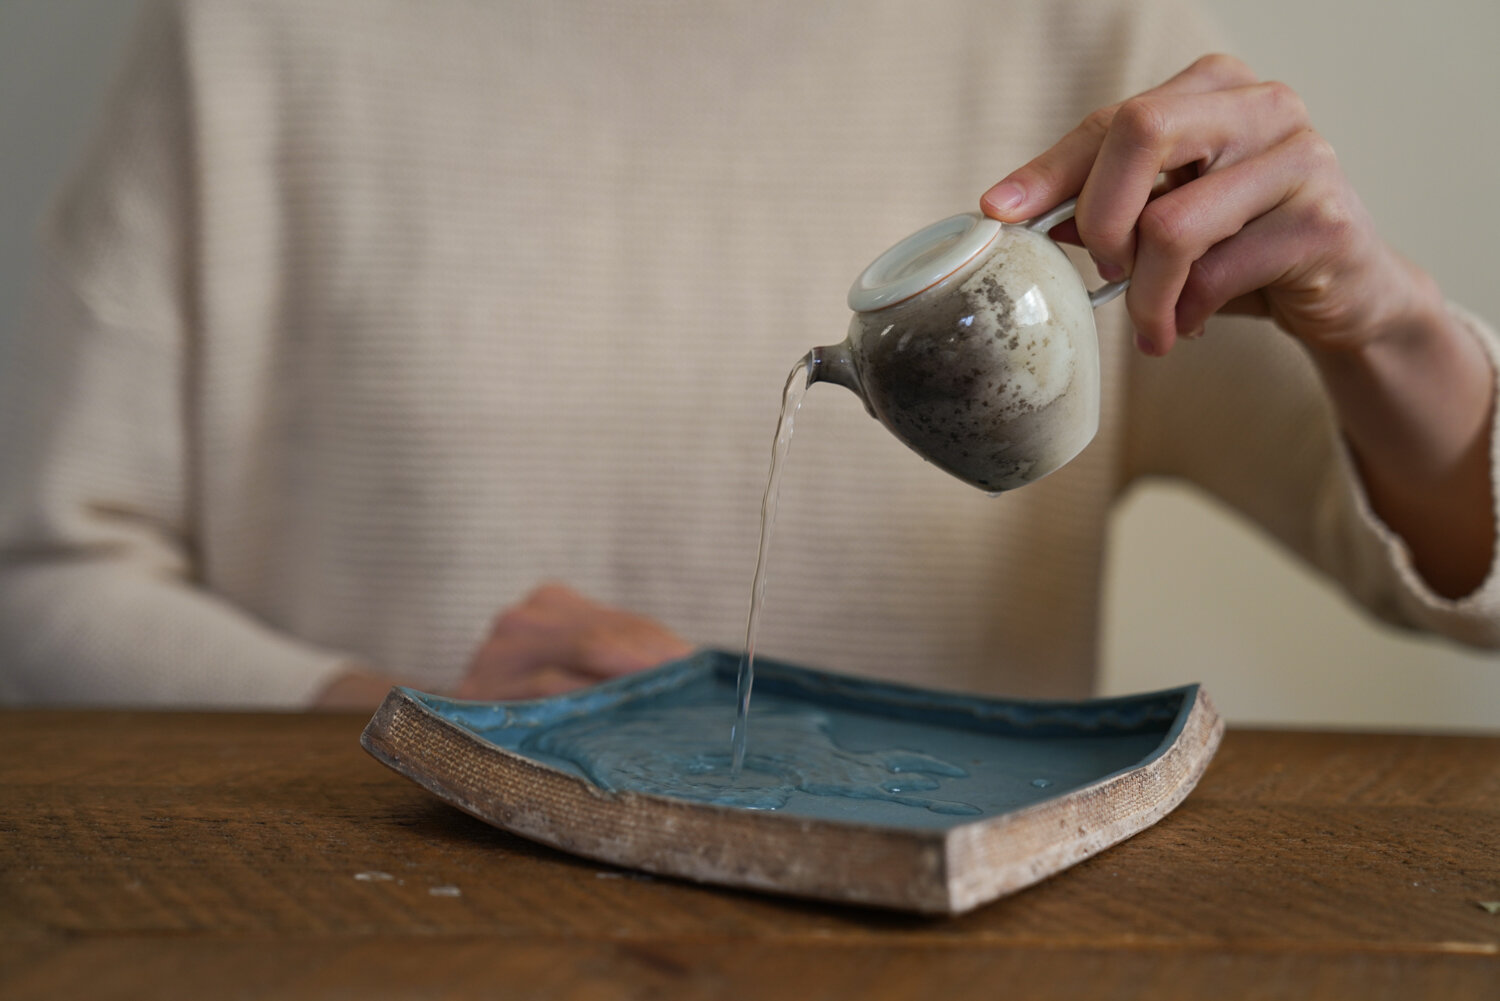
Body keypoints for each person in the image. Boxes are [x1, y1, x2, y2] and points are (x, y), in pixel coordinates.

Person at [1, 0, 1496, 710]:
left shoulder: (1076, 47)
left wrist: (1391, 327)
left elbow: (1467, 583)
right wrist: (410, 728)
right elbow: (48, 580)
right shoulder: (253, 39)